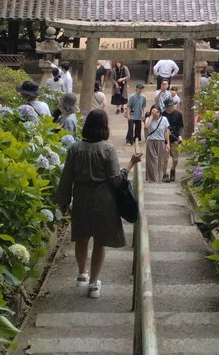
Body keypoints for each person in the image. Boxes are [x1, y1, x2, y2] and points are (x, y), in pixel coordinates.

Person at [55, 109, 143, 299]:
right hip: (104, 202)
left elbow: (66, 178)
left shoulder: (75, 148)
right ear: (104, 127)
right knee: (100, 242)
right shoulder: (108, 149)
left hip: (81, 200)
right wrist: (131, 163)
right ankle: (94, 284)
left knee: (82, 238)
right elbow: (116, 180)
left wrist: (62, 201)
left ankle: (81, 274)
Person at [143, 104, 170, 184]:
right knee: (153, 161)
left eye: (157, 112)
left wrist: (167, 143)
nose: (156, 113)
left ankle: (159, 179)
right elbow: (146, 127)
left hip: (161, 142)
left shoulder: (164, 119)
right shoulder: (148, 119)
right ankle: (153, 180)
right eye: (154, 111)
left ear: (160, 112)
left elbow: (166, 131)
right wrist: (151, 116)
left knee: (160, 162)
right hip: (151, 141)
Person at [162, 96, 184, 182]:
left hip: (175, 138)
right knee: (165, 158)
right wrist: (166, 131)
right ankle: (164, 174)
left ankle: (173, 169)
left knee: (175, 158)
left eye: (172, 105)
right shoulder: (163, 115)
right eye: (169, 106)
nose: (171, 107)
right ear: (166, 107)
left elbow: (181, 126)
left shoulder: (178, 114)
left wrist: (180, 135)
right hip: (164, 140)